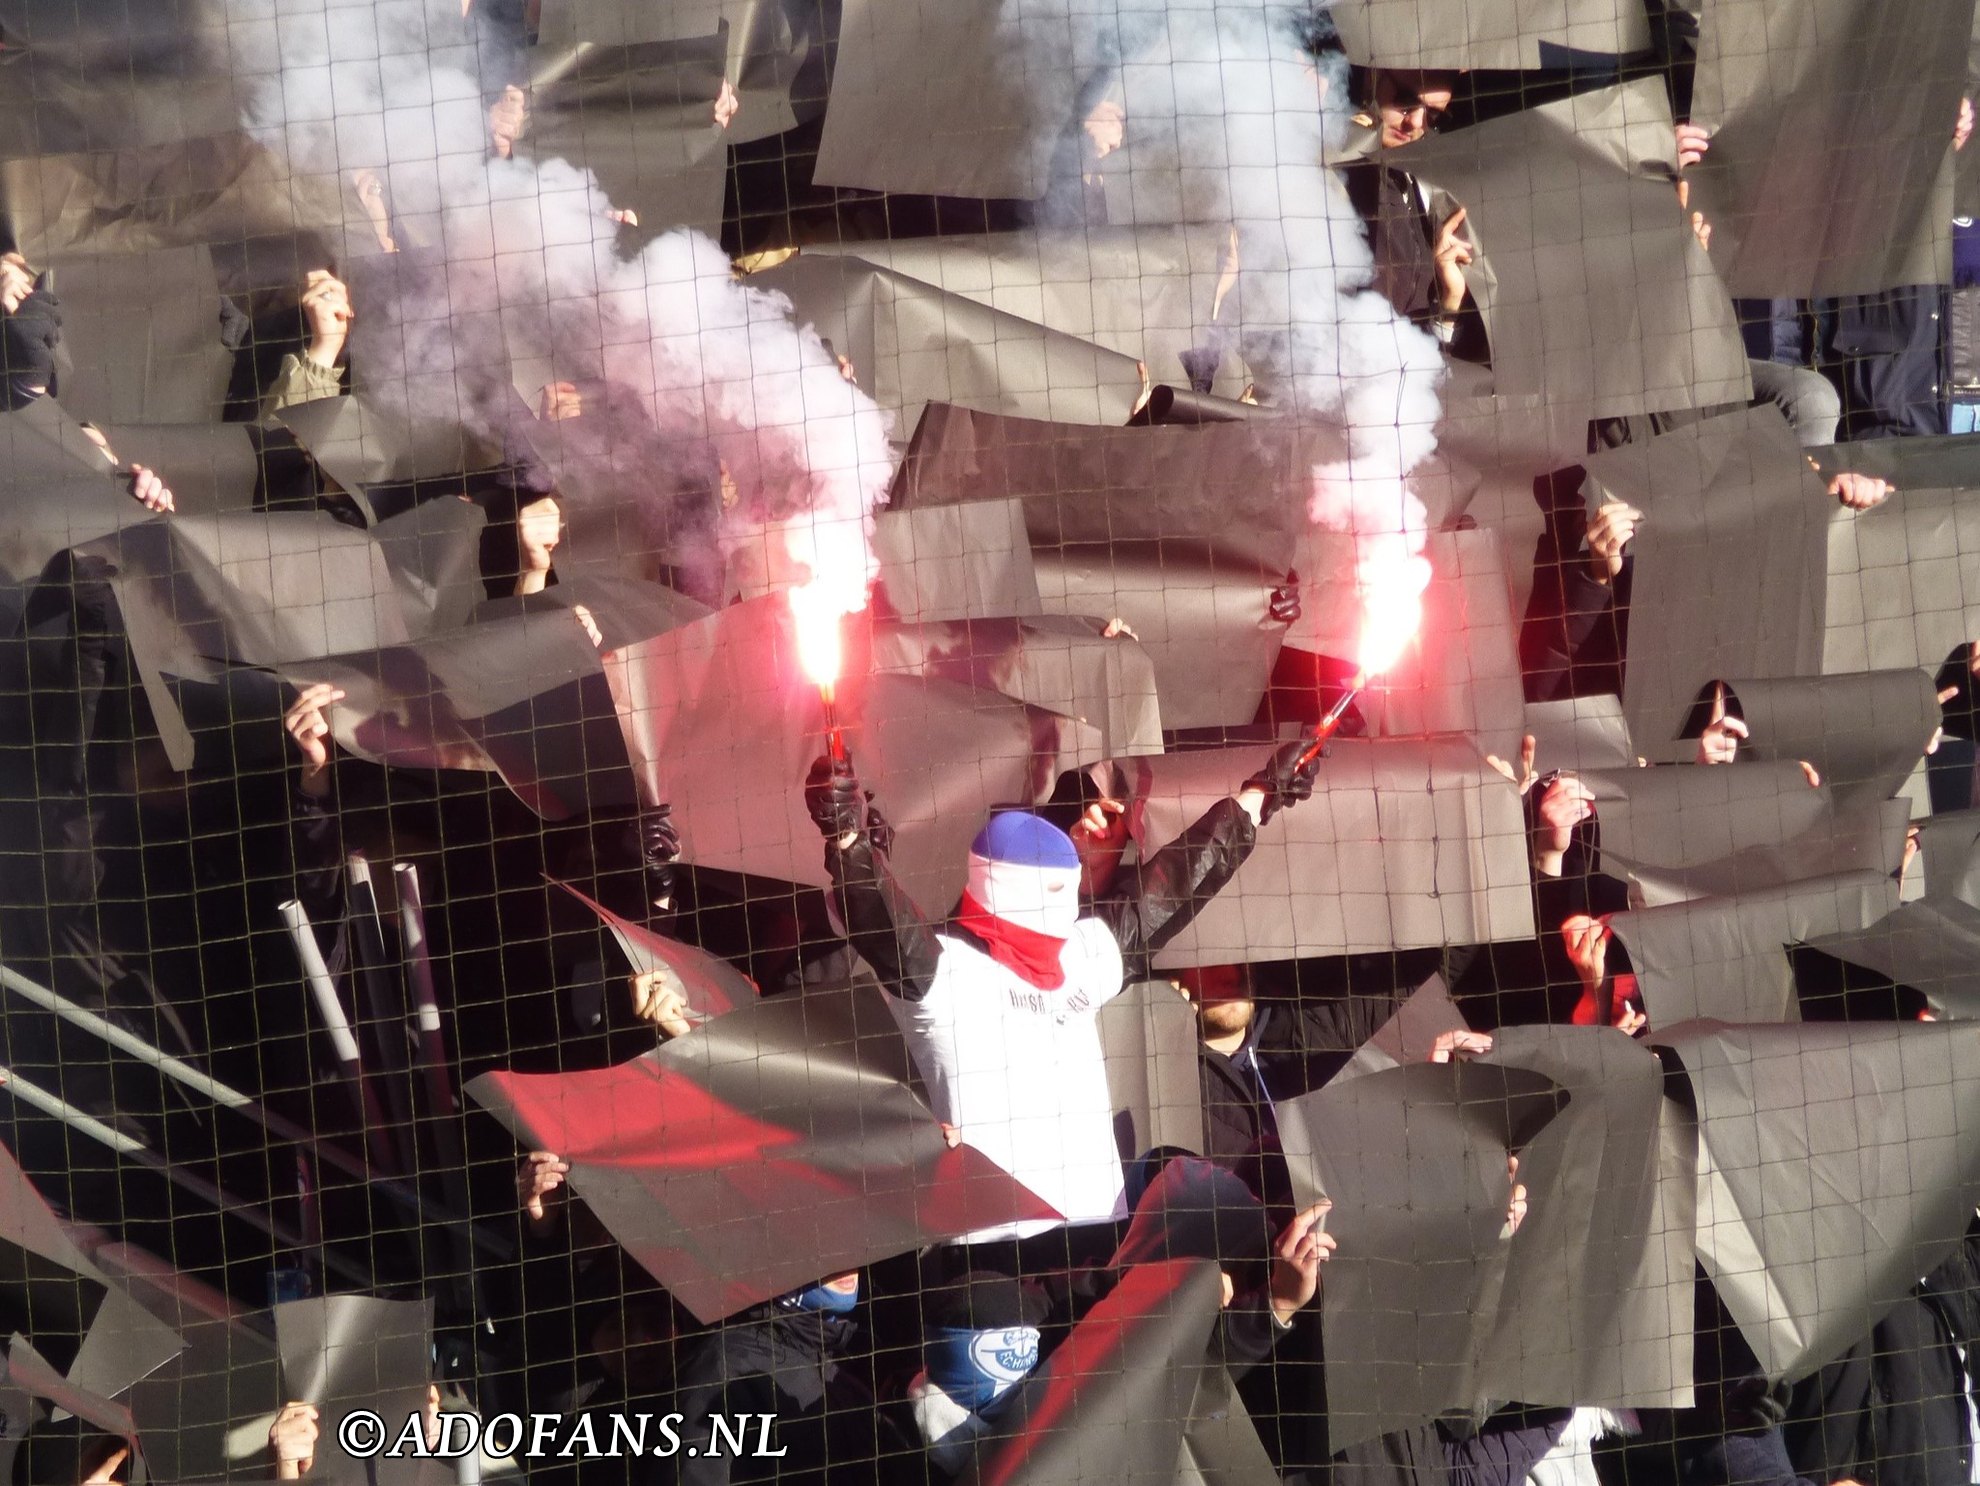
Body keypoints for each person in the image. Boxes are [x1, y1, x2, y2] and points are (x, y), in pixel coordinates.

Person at [804, 738, 1322, 1258]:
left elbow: (1173, 887)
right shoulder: (942, 970)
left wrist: (1259, 797)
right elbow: (879, 921)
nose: (1068, 904)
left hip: (1097, 1243)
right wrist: (847, 840)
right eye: (1056, 892)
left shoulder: (1079, 955)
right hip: (989, 1255)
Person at [1338, 69, 1489, 362]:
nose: (1415, 123)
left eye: (1432, 115)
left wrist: (1449, 300)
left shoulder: (1424, 186)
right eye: (1405, 101)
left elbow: (1419, 362)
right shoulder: (1327, 168)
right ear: (1373, 79)